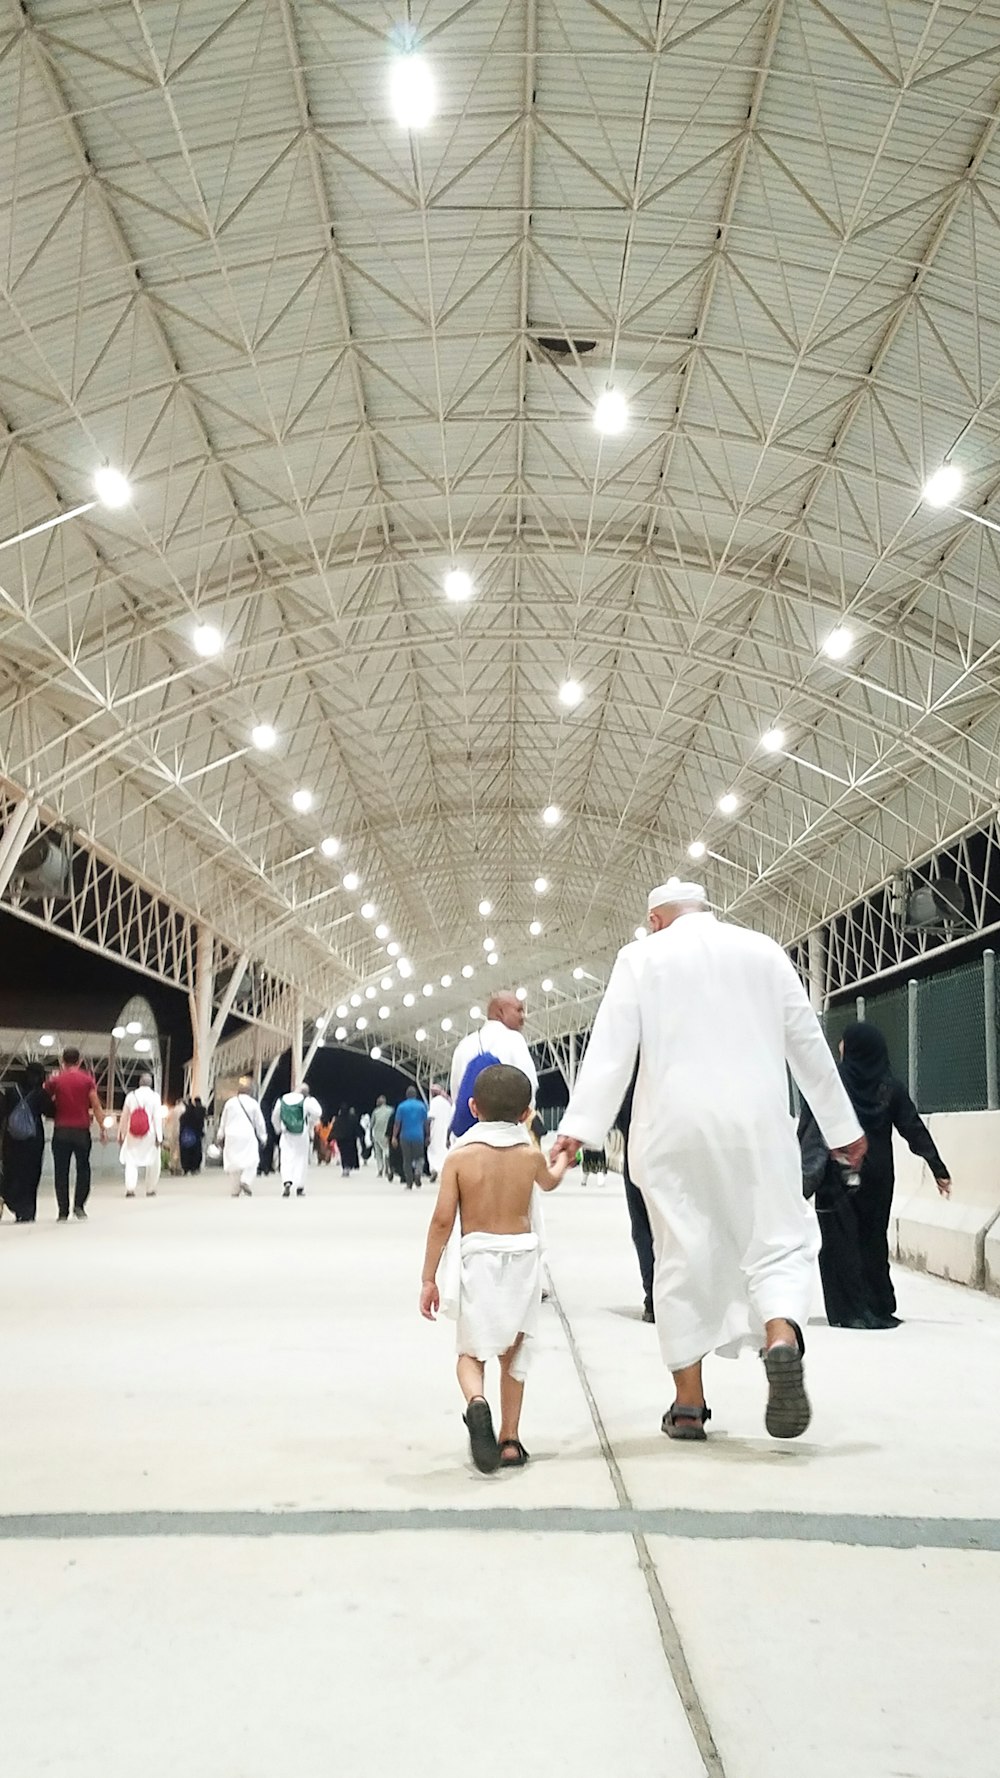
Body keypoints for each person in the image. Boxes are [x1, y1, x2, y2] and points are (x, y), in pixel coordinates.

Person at [552, 878, 865, 1443]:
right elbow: (809, 1045)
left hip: (671, 1130)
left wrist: (577, 1131)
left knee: (680, 1253)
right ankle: (780, 1338)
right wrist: (842, 1130)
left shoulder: (641, 957)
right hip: (758, 1126)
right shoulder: (764, 951)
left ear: (655, 920)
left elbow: (611, 1049)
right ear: (707, 911)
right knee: (778, 1241)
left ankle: (689, 1406)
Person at [420, 1064, 571, 1472]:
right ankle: (509, 1441)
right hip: (522, 1258)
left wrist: (428, 1278)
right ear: (526, 1113)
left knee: (471, 1352)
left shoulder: (460, 1157)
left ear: (472, 1107)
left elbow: (441, 1221)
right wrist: (563, 1159)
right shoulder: (529, 1154)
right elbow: (551, 1182)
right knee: (514, 1352)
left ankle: (477, 1402)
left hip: (478, 1259)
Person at [801, 1021, 951, 1329]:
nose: (840, 1047)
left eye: (843, 1042)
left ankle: (850, 1311)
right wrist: (938, 1168)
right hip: (879, 1177)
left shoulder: (833, 1081)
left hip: (837, 1174)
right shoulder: (888, 1085)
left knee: (840, 1243)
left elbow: (810, 1124)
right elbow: (913, 1127)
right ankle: (880, 1306)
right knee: (872, 1241)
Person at [449, 993, 538, 1121]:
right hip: (507, 1131)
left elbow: (456, 1093)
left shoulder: (463, 1046)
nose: (523, 1016)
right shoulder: (514, 1039)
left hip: (467, 1134)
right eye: (518, 1010)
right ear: (500, 1012)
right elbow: (529, 1086)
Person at [44, 1047, 107, 1221]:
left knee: (61, 1171)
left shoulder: (55, 1080)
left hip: (61, 1130)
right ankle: (79, 1206)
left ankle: (63, 1211)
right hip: (81, 1131)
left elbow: (43, 1098)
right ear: (79, 1061)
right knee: (83, 1169)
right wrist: (102, 1127)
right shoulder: (87, 1080)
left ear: (62, 1062)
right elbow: (95, 1105)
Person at [618, 1071, 655, 1322]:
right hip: (682, 1151)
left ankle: (653, 1297)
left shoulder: (630, 1065)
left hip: (638, 1150)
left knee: (643, 1225)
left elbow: (620, 1113)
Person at [0, 1063, 48, 1222]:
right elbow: (51, 1111)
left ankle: (12, 1201)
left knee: (12, 1172)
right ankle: (27, 1211)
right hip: (33, 1141)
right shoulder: (40, 1093)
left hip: (12, 1140)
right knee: (31, 1175)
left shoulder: (12, 1091)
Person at [118, 1072, 164, 1198]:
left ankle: (130, 1188)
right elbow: (157, 1118)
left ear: (139, 1082)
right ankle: (150, 1189)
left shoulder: (131, 1096)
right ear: (151, 1084)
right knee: (154, 1161)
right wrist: (159, 1136)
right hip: (150, 1134)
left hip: (133, 1133)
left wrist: (121, 1133)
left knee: (131, 1160)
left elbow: (124, 1116)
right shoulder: (155, 1097)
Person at [218, 1078, 266, 1198]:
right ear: (250, 1092)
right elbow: (259, 1122)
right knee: (252, 1160)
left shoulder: (230, 1103)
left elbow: (223, 1121)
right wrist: (263, 1137)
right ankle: (245, 1180)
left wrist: (220, 1135)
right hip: (247, 1135)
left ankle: (235, 1189)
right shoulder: (253, 1104)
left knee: (233, 1162)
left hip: (231, 1136)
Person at [273, 1084, 322, 1197]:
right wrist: (311, 1123)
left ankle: (287, 1181)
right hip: (302, 1133)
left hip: (286, 1133)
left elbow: (275, 1116)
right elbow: (318, 1112)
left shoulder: (282, 1099)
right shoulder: (306, 1100)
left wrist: (279, 1128)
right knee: (301, 1159)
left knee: (286, 1158)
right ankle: (300, 1186)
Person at [394, 1086, 429, 1189]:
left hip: (405, 1136)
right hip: (418, 1136)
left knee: (407, 1160)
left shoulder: (401, 1107)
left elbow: (397, 1123)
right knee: (420, 1157)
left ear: (407, 1095)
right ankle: (418, 1172)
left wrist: (394, 1137)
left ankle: (409, 1182)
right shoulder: (422, 1106)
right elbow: (426, 1123)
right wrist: (428, 1135)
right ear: (415, 1095)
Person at [427, 1084, 452, 1181]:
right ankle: (443, 1171)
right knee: (444, 1151)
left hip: (435, 1130)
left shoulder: (434, 1102)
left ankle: (434, 1170)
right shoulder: (447, 1102)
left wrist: (428, 1134)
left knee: (433, 1150)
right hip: (446, 1130)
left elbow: (430, 1118)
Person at [178, 1097, 207, 1174]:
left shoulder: (183, 1116)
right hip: (196, 1135)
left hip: (185, 1136)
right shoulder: (200, 1111)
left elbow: (181, 1125)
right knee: (196, 1152)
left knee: (185, 1153)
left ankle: (186, 1168)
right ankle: (195, 1168)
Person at [333, 1104, 360, 1175]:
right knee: (349, 1153)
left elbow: (334, 1129)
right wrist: (360, 1135)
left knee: (343, 1154)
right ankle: (348, 1166)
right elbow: (356, 1128)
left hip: (341, 1140)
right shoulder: (352, 1118)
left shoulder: (338, 1119)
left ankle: (345, 1167)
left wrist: (331, 1137)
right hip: (350, 1139)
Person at [370, 1095, 393, 1177]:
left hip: (377, 1135)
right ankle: (387, 1168)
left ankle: (380, 1170)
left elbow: (371, 1124)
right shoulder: (391, 1110)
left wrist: (370, 1135)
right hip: (387, 1135)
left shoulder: (375, 1112)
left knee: (378, 1153)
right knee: (387, 1152)